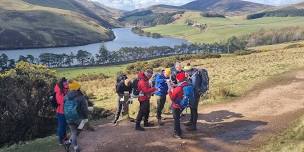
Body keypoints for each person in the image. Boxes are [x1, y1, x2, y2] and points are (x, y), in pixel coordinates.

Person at [64, 80, 89, 152]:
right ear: (77, 88)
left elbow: (65, 106)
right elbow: (84, 109)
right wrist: (86, 117)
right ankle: (75, 148)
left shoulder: (66, 96)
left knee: (74, 132)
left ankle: (70, 143)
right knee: (79, 129)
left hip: (68, 117)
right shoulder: (81, 97)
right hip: (78, 118)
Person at [169, 72, 189, 139]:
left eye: (177, 78)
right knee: (178, 118)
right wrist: (174, 85)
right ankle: (179, 130)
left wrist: (170, 91)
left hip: (176, 106)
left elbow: (172, 98)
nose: (176, 79)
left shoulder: (178, 88)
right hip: (183, 105)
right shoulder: (188, 84)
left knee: (176, 119)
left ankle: (177, 133)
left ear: (179, 79)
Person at [54, 77, 69, 145]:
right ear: (61, 83)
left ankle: (65, 138)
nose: (66, 83)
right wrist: (66, 98)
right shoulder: (59, 91)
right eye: (64, 82)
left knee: (64, 126)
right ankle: (61, 140)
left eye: (66, 82)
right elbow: (60, 101)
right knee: (61, 126)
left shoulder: (65, 89)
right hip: (61, 112)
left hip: (66, 111)